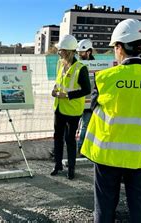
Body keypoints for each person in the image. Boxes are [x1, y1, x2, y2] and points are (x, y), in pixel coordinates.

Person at [80, 19, 141, 222]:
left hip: (108, 153)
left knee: (105, 204)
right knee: (138, 204)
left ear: (119, 47)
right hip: (139, 154)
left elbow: (93, 106)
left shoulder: (105, 78)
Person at [51, 34, 91, 180]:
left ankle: (71, 169)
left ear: (68, 51)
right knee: (57, 138)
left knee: (69, 139)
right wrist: (54, 90)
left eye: (60, 50)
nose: (58, 53)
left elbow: (86, 90)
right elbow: (58, 82)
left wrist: (67, 96)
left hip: (73, 111)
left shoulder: (81, 68)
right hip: (59, 108)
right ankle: (57, 165)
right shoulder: (60, 64)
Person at [76, 39, 95, 154]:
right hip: (77, 100)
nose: (80, 55)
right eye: (78, 53)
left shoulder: (97, 65)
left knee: (85, 126)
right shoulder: (77, 65)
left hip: (89, 102)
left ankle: (81, 148)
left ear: (89, 52)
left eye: (81, 53)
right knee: (71, 126)